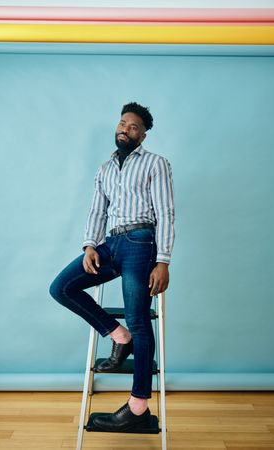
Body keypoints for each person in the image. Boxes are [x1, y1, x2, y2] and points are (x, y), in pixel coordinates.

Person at [49, 102, 175, 432]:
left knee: (138, 318)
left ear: (143, 133)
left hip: (140, 242)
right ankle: (118, 335)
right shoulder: (105, 169)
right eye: (122, 123)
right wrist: (90, 245)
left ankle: (137, 406)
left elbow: (166, 214)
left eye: (133, 126)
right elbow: (96, 211)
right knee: (62, 287)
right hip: (110, 244)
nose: (125, 129)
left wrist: (163, 261)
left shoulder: (155, 164)